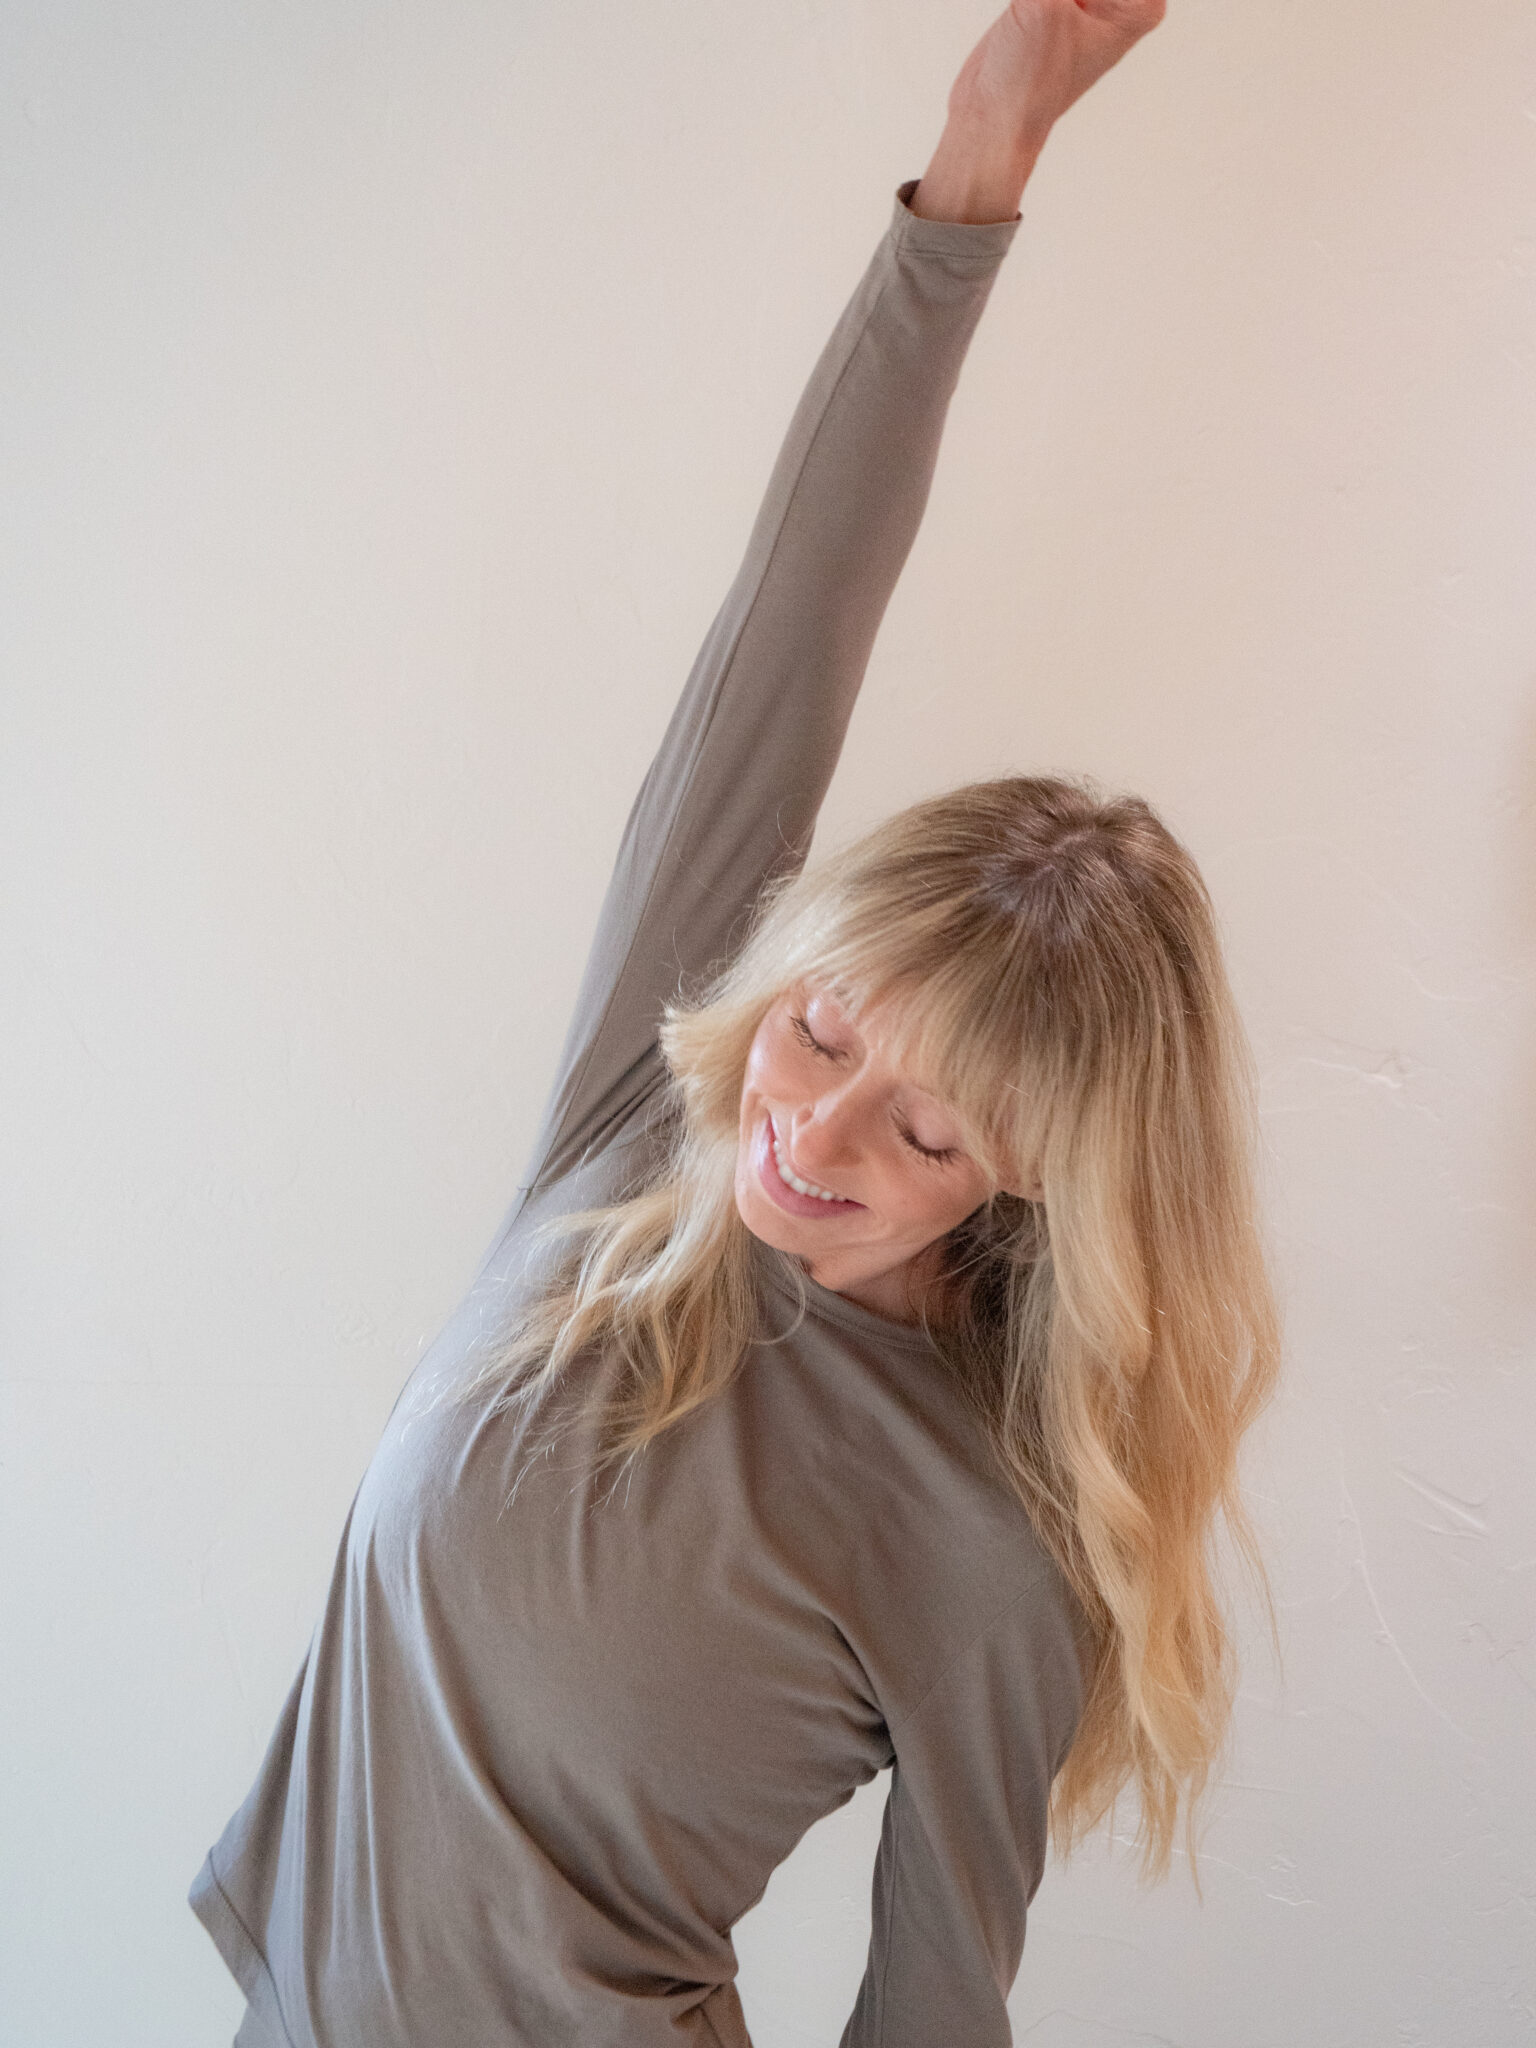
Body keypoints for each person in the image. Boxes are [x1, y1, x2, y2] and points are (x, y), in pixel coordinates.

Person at [191, 2, 1282, 2042]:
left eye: (930, 1131)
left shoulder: (983, 1548)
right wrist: (978, 164)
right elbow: (793, 621)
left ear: (1030, 1183)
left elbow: (937, 2009)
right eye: (826, 1030)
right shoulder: (651, 1116)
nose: (816, 1131)